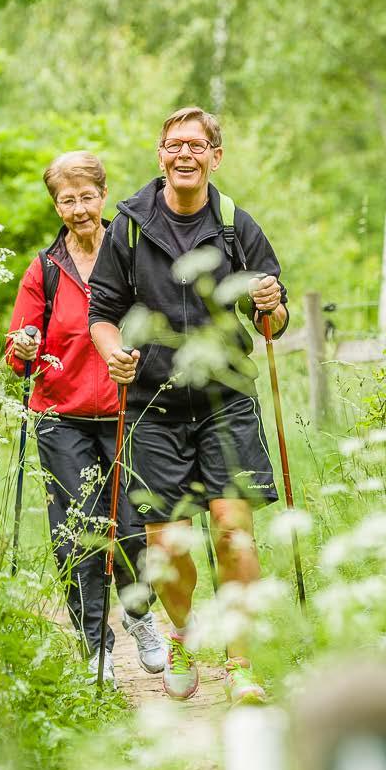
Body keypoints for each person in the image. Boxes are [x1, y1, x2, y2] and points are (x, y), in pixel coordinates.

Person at [88, 107, 289, 704]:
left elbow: (271, 323)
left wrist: (271, 302)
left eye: (197, 145)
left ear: (215, 157)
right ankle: (181, 634)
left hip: (226, 401)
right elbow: (101, 315)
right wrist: (114, 354)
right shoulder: (127, 226)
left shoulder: (235, 226)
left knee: (233, 533)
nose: (185, 154)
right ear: (160, 155)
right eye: (174, 144)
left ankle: (242, 662)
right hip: (153, 405)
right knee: (169, 549)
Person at [5, 150, 166, 686]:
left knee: (133, 530)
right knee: (77, 533)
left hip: (129, 410)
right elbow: (16, 353)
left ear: (103, 196)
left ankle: (141, 616)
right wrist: (24, 345)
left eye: (86, 197)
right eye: (66, 200)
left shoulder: (132, 256)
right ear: (57, 206)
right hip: (61, 416)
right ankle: (94, 643)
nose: (77, 208)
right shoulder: (44, 271)